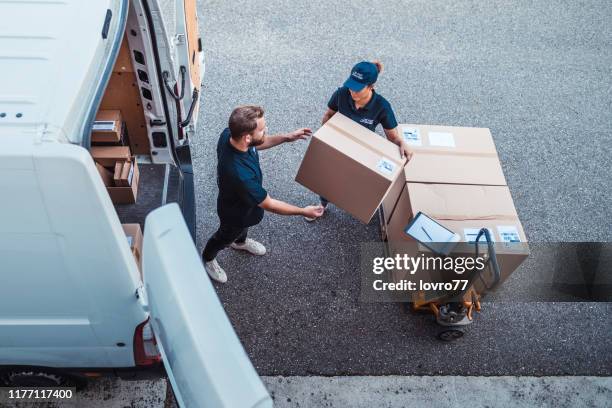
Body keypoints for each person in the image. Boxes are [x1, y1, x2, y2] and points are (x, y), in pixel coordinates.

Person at [202, 105, 324, 283]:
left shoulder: (229, 135)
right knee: (224, 236)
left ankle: (240, 243)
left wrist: (286, 137)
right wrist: (303, 211)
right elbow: (270, 204)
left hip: (246, 205)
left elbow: (257, 144)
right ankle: (208, 259)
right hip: (234, 213)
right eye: (262, 129)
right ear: (247, 137)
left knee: (243, 228)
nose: (266, 131)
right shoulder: (240, 175)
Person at [306, 60, 414, 221]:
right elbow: (329, 114)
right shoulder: (341, 93)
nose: (352, 91)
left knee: (355, 180)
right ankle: (323, 203)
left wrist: (402, 143)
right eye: (351, 85)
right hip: (338, 143)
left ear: (371, 86)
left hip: (361, 149)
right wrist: (324, 136)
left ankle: (356, 204)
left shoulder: (382, 106)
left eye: (358, 88)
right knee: (329, 176)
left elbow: (393, 136)